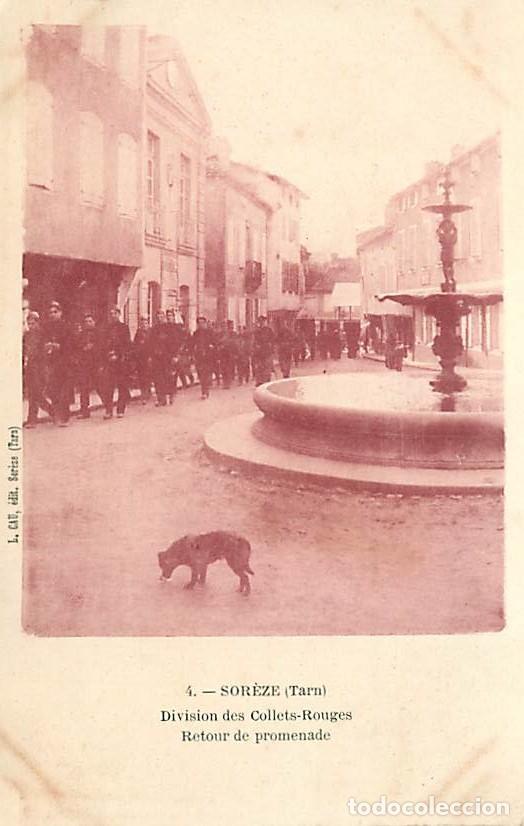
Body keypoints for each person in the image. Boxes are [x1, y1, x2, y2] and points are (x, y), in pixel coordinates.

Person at [41, 300, 72, 426]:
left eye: (55, 312)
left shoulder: (66, 327)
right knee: (53, 390)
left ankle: (64, 417)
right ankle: (56, 413)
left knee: (64, 391)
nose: (52, 315)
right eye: (50, 313)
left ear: (60, 313)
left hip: (64, 362)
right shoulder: (46, 328)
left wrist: (60, 346)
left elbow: (72, 344)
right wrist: (46, 346)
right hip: (51, 362)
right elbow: (42, 342)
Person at [98, 306, 131, 418]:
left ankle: (120, 409)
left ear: (119, 314)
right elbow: (102, 344)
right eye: (111, 314)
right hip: (109, 361)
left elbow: (126, 345)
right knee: (108, 386)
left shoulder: (124, 328)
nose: (112, 316)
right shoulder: (106, 328)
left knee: (122, 386)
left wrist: (118, 355)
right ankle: (108, 410)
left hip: (120, 361)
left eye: (114, 314)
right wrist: (107, 355)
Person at [23, 311, 53, 428]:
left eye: (33, 323)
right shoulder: (27, 335)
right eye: (29, 323)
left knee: (35, 393)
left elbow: (45, 351)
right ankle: (53, 412)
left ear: (37, 322)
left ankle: (32, 420)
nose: (31, 326)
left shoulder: (42, 334)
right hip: (30, 366)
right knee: (34, 394)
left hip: (40, 367)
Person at [74, 313, 101, 418]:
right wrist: (83, 348)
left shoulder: (99, 334)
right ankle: (84, 410)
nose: (88, 323)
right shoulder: (81, 335)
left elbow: (102, 347)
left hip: (95, 363)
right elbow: (77, 347)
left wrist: (93, 348)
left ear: (94, 322)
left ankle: (108, 406)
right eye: (86, 322)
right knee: (84, 388)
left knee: (100, 387)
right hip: (84, 364)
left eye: (90, 321)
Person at [149, 309, 173, 406]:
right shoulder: (154, 329)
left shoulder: (169, 328)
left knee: (167, 377)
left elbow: (173, 343)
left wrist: (173, 355)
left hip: (167, 357)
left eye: (161, 316)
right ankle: (160, 398)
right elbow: (150, 343)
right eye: (158, 317)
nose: (159, 318)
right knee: (158, 378)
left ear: (164, 317)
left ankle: (170, 394)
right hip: (156, 357)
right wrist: (151, 355)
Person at [191, 316, 216, 399]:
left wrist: (212, 346)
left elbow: (215, 343)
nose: (201, 325)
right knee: (201, 374)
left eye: (202, 323)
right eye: (199, 323)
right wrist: (192, 354)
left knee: (206, 374)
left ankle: (205, 392)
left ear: (205, 323)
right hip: (199, 357)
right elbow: (192, 344)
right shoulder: (196, 333)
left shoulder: (210, 332)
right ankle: (204, 390)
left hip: (208, 357)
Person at [132, 316, 152, 403]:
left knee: (148, 376)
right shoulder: (138, 333)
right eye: (142, 323)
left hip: (149, 358)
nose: (144, 325)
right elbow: (135, 344)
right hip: (140, 358)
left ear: (148, 324)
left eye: (146, 323)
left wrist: (151, 356)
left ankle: (146, 393)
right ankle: (144, 392)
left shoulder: (151, 333)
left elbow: (153, 345)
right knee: (141, 376)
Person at [252, 316, 275, 386]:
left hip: (267, 351)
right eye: (260, 321)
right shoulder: (257, 331)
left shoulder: (269, 330)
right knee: (259, 367)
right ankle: (259, 381)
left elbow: (273, 340)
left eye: (262, 321)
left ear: (264, 322)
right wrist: (255, 347)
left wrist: (271, 348)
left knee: (267, 367)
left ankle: (267, 381)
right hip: (259, 352)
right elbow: (254, 341)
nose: (261, 323)